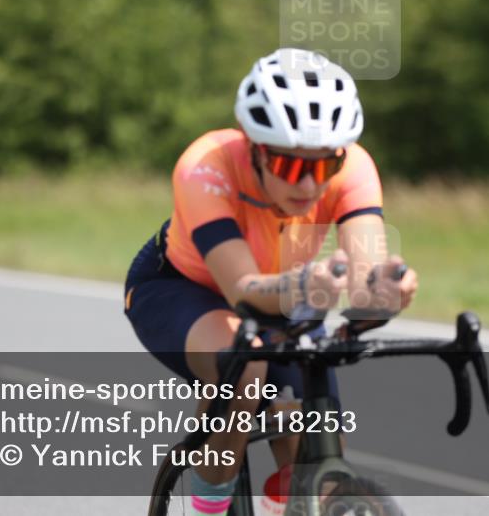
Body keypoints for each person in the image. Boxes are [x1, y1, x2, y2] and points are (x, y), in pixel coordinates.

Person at [124, 48, 418, 515]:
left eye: (323, 167)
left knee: (317, 449)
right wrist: (303, 288)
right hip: (183, 287)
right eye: (289, 166)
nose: (308, 185)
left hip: (285, 293)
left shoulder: (354, 167)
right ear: (255, 150)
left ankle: (290, 498)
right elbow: (243, 289)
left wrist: (383, 294)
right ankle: (210, 505)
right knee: (246, 373)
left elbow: (366, 277)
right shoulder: (206, 166)